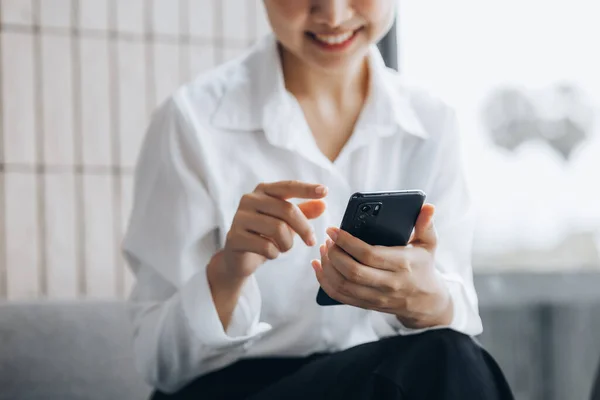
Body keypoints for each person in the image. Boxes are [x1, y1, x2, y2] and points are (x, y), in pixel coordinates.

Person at [122, 1, 514, 399]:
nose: (333, 15)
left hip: (377, 379)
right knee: (445, 358)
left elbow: (452, 306)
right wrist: (227, 273)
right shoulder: (192, 121)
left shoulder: (432, 122)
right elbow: (158, 363)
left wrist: (427, 301)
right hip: (228, 390)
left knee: (450, 353)